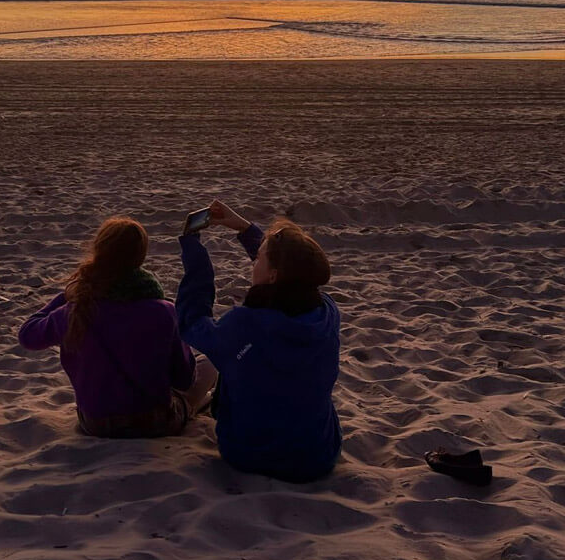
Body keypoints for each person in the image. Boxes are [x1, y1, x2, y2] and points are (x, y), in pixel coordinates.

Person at [176, 200, 342, 483]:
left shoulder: (244, 325)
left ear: (273, 275)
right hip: (318, 456)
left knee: (223, 360)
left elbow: (192, 323)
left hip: (248, 454)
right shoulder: (327, 314)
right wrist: (243, 228)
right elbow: (291, 273)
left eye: (259, 258)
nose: (254, 263)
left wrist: (194, 254)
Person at [20, 217, 217, 438]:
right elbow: (184, 378)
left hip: (94, 423)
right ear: (140, 257)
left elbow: (28, 335)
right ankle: (197, 405)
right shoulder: (164, 311)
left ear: (98, 251)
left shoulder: (75, 311)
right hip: (154, 422)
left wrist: (69, 294)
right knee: (209, 363)